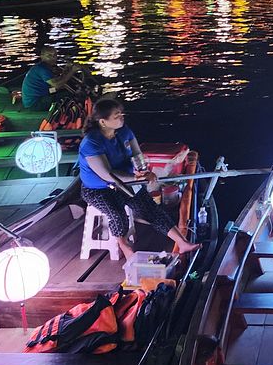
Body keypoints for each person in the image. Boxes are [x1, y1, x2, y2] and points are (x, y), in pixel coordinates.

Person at [78, 99, 200, 260]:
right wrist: (136, 177)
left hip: (128, 182)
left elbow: (137, 155)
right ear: (103, 122)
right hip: (98, 189)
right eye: (116, 115)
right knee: (117, 214)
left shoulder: (124, 131)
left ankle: (182, 242)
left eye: (121, 113)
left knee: (149, 207)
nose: (121, 117)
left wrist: (144, 172)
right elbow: (107, 174)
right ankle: (124, 246)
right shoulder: (91, 142)